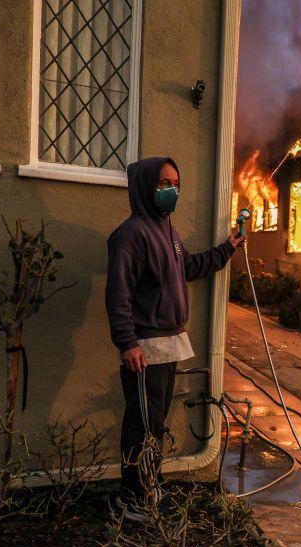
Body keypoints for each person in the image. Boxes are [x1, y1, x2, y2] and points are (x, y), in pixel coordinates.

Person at [105, 156, 245, 521]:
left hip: (168, 346)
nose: (172, 191)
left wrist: (227, 248)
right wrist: (127, 343)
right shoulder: (132, 234)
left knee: (156, 422)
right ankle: (133, 499)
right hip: (145, 349)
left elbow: (189, 268)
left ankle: (148, 487)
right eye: (165, 182)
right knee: (141, 423)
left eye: (176, 184)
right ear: (145, 186)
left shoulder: (167, 231)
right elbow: (117, 293)